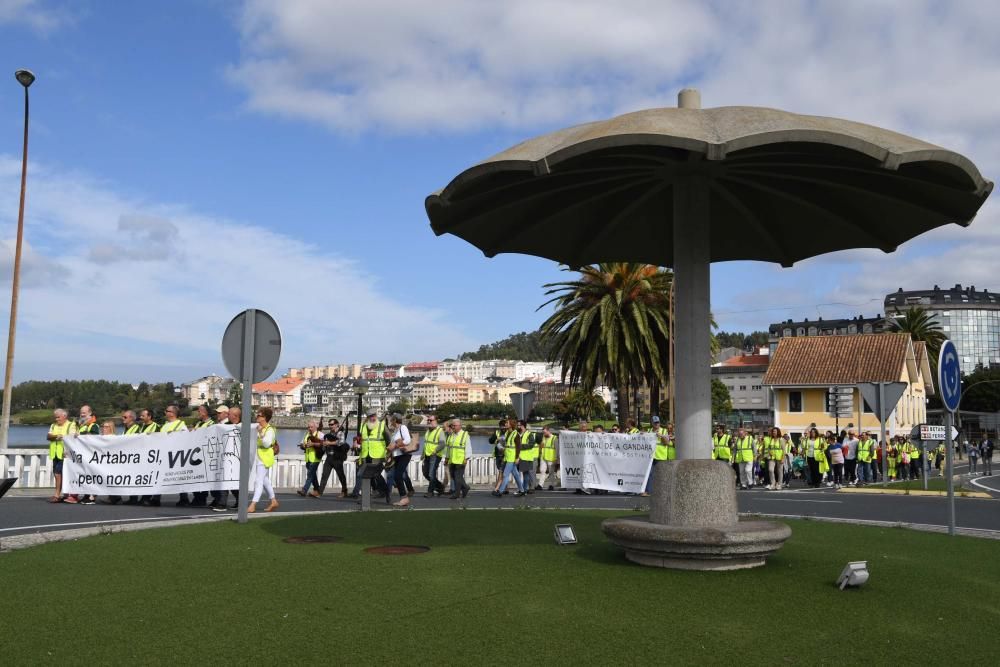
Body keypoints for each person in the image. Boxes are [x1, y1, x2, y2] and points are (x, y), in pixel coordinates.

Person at [247, 407, 279, 513]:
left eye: (259, 415)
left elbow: (266, 444)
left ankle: (253, 504)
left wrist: (260, 433)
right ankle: (273, 501)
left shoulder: (270, 430)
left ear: (264, 417)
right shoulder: (259, 427)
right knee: (264, 480)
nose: (256, 416)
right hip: (259, 457)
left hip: (265, 457)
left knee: (258, 481)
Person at [159, 405, 191, 507]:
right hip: (164, 454)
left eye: (167, 411)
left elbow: (186, 439)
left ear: (172, 413)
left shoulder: (181, 425)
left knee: (179, 476)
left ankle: (184, 498)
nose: (165, 412)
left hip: (176, 455)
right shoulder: (165, 425)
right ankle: (156, 497)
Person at [187, 405, 216, 508]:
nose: (198, 413)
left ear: (205, 412)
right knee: (196, 476)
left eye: (199, 411)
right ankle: (197, 497)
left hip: (206, 454)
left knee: (204, 477)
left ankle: (202, 497)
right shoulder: (198, 423)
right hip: (196, 454)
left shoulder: (212, 423)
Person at [46, 408, 77, 503]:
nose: (56, 419)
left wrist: (60, 437)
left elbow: (72, 438)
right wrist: (57, 436)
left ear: (64, 416)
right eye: (55, 417)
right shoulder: (53, 425)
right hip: (55, 453)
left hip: (66, 454)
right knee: (57, 473)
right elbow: (48, 436)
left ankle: (57, 494)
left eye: (58, 417)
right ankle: (65, 493)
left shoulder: (71, 425)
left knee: (59, 473)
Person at [73, 405, 100, 505]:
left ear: (90, 413)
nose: (82, 414)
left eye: (84, 412)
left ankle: (92, 496)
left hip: (91, 454)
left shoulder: (94, 425)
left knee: (91, 475)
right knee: (85, 475)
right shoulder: (82, 425)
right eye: (81, 412)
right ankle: (86, 494)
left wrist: (81, 436)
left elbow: (95, 438)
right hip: (82, 454)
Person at [386, 413, 413, 507]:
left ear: (394, 420)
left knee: (397, 476)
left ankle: (404, 498)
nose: (390, 422)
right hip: (397, 456)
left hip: (404, 455)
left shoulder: (403, 428)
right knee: (395, 476)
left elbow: (408, 440)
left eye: (391, 420)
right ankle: (403, 497)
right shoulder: (396, 430)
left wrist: (395, 445)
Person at [493, 419, 525, 497]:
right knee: (516, 475)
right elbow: (504, 439)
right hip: (507, 456)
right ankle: (522, 490)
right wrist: (499, 439)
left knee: (505, 475)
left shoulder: (516, 434)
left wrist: (517, 457)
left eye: (507, 423)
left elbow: (518, 447)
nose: (505, 424)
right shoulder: (507, 432)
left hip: (512, 457)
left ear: (511, 424)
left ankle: (500, 491)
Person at [318, 419, 349, 497]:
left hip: (337, 457)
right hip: (329, 457)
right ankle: (319, 492)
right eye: (329, 424)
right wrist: (324, 445)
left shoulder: (340, 433)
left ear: (337, 424)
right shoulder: (328, 434)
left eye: (332, 424)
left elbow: (341, 442)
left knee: (341, 475)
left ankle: (344, 491)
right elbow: (325, 446)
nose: (330, 426)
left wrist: (330, 442)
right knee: (324, 475)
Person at [297, 419, 324, 498]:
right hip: (308, 458)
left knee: (310, 474)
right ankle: (317, 490)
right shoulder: (306, 434)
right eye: (308, 427)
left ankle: (304, 490)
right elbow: (302, 444)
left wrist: (313, 444)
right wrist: (303, 446)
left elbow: (323, 444)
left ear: (316, 426)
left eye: (311, 427)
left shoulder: (320, 434)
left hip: (316, 458)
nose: (309, 428)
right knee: (312, 475)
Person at [421, 415, 447, 497]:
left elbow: (443, 444)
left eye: (431, 420)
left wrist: (435, 451)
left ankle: (430, 492)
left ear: (436, 421)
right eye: (428, 420)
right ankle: (440, 487)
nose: (429, 421)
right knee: (426, 473)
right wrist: (422, 454)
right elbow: (426, 444)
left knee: (431, 474)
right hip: (427, 455)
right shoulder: (428, 431)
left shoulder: (440, 431)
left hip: (435, 455)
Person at [445, 418, 471, 499]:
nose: (453, 427)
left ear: (460, 426)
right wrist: (447, 458)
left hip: (460, 460)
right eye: (452, 425)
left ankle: (456, 494)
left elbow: (468, 448)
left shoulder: (465, 435)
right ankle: (465, 487)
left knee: (457, 477)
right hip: (452, 460)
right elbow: (449, 448)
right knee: (454, 476)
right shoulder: (451, 435)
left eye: (454, 425)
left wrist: (466, 458)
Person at [516, 420, 538, 492]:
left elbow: (531, 444)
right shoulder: (518, 433)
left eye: (519, 425)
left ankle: (524, 489)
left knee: (525, 474)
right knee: (522, 474)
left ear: (522, 426)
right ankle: (523, 489)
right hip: (519, 457)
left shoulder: (529, 434)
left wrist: (520, 446)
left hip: (526, 457)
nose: (517, 426)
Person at [488, 418, 507, 490]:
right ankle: (505, 488)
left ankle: (498, 488)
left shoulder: (508, 433)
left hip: (505, 455)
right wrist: (496, 439)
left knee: (501, 471)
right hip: (498, 454)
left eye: (504, 426)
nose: (503, 428)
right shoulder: (497, 433)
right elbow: (490, 441)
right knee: (501, 471)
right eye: (501, 426)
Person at [538, 425, 560, 491]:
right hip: (543, 457)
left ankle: (551, 485)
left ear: (548, 431)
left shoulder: (554, 438)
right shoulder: (544, 437)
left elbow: (557, 449)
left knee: (551, 472)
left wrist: (557, 458)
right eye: (543, 432)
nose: (544, 434)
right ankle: (540, 485)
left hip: (551, 458)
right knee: (542, 470)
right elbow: (542, 446)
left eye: (545, 432)